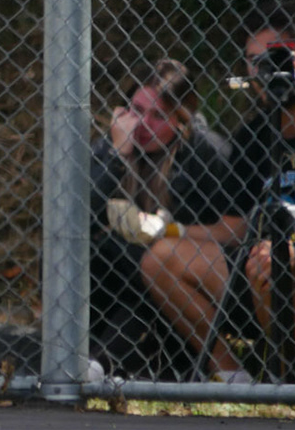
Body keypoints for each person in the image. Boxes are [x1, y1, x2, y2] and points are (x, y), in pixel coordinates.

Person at [140, 2, 295, 382]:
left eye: (276, 57)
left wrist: (293, 251)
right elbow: (233, 229)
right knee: (161, 258)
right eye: (254, 61)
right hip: (259, 277)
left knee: (277, 258)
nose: (265, 71)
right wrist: (166, 229)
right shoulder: (252, 136)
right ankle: (235, 378)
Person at [88, 59, 237, 377]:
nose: (142, 124)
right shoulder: (114, 144)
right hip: (121, 287)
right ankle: (90, 357)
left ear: (181, 120)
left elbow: (233, 230)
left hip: (182, 281)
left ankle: (99, 363)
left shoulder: (205, 152)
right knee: (94, 250)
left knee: (137, 257)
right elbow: (77, 218)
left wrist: (168, 230)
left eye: (158, 116)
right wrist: (117, 156)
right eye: (136, 110)